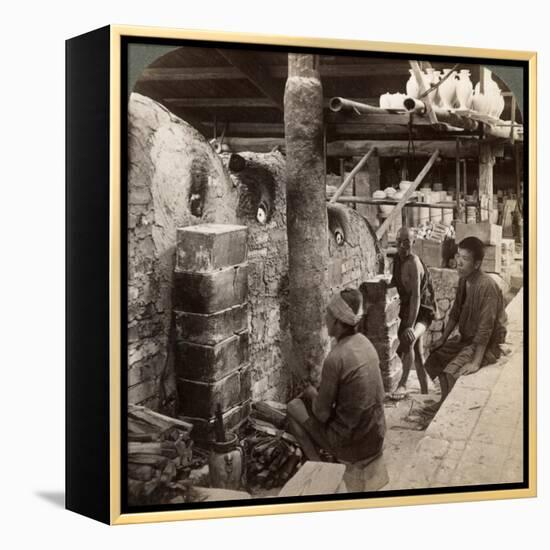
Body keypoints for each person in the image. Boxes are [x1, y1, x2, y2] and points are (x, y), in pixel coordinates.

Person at [287, 288, 386, 464]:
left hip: (354, 447)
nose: (326, 319)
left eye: (329, 315)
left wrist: (311, 393)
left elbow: (322, 415)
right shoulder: (366, 343)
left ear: (338, 322)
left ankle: (318, 464)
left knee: (293, 407)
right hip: (376, 438)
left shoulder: (336, 357)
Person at [423, 236, 508, 414]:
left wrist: (476, 362)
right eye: (458, 256)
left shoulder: (487, 286)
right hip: (466, 339)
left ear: (477, 264)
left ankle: (449, 409)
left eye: (465, 259)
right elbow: (455, 312)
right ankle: (444, 400)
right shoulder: (464, 280)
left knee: (451, 371)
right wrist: (442, 339)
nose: (459, 263)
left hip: (486, 345)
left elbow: (486, 328)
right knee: (435, 355)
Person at [391, 227, 436, 397]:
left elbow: (417, 296)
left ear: (413, 243)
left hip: (423, 311)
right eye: (399, 242)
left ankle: (402, 384)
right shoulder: (396, 260)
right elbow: (394, 284)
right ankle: (425, 393)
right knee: (417, 354)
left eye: (407, 242)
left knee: (409, 339)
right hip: (408, 310)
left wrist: (409, 324)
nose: (403, 246)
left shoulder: (414, 263)